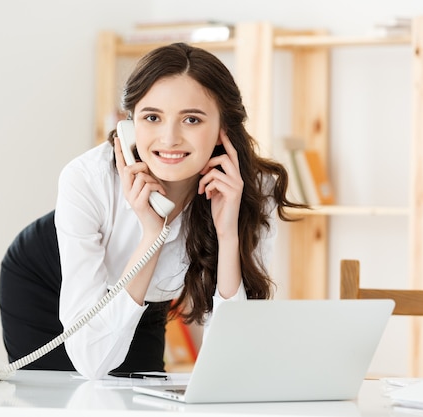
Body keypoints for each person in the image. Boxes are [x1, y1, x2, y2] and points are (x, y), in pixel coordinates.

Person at [55, 42, 304, 380]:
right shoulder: (86, 180)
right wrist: (152, 235)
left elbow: (233, 361)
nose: (169, 138)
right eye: (152, 117)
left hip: (143, 298)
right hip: (53, 279)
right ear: (130, 125)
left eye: (191, 119)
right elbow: (92, 361)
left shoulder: (251, 190)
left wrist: (228, 235)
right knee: (75, 394)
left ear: (223, 129)